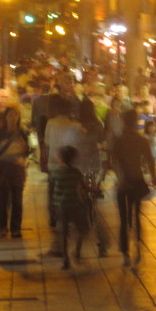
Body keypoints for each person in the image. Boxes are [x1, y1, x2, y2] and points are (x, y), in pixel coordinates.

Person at [111, 108, 156, 267]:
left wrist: (119, 176)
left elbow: (113, 161)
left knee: (124, 219)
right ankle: (137, 247)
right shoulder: (141, 140)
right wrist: (154, 177)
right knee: (136, 216)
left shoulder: (119, 141)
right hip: (137, 180)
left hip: (123, 182)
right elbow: (150, 161)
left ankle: (125, 253)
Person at [44, 96, 85, 236]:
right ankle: (71, 218)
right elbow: (80, 144)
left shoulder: (50, 123)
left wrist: (44, 160)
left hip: (53, 164)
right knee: (70, 191)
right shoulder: (76, 125)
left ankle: (53, 217)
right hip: (71, 165)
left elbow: (47, 144)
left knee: (53, 191)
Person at [0, 105, 30, 239]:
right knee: (1, 199)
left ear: (18, 117)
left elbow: (27, 151)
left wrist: (23, 160)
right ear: (5, 117)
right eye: (10, 115)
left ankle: (15, 229)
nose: (12, 118)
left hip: (17, 170)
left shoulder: (22, 133)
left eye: (15, 115)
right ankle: (2, 227)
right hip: (2, 170)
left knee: (17, 200)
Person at [51, 145, 89, 268]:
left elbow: (51, 190)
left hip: (60, 206)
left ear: (61, 158)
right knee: (82, 229)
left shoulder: (55, 173)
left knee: (63, 233)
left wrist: (51, 207)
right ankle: (77, 252)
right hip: (75, 205)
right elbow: (82, 188)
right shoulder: (76, 173)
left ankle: (65, 259)